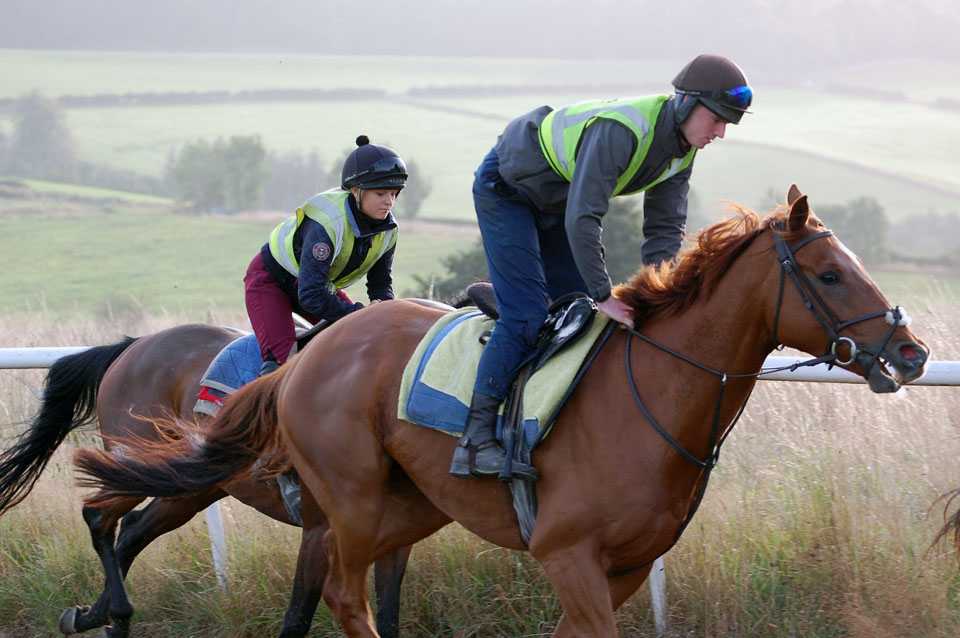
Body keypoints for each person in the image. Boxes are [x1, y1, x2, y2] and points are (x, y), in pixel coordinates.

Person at [450, 54, 754, 480]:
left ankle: (539, 419)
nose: (720, 133)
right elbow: (583, 218)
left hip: (556, 201)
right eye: (717, 119)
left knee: (579, 314)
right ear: (685, 102)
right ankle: (475, 440)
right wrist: (604, 293)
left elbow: (664, 231)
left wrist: (664, 298)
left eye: (728, 124)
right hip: (508, 189)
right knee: (529, 315)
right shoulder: (622, 130)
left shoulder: (682, 151)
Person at [245, 135, 406, 376]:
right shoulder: (327, 223)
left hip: (317, 286)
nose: (389, 202)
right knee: (282, 366)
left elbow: (380, 285)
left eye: (394, 194)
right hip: (271, 282)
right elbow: (310, 297)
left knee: (366, 338)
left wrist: (384, 313)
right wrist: (360, 313)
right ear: (356, 191)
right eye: (380, 193)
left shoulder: (389, 230)